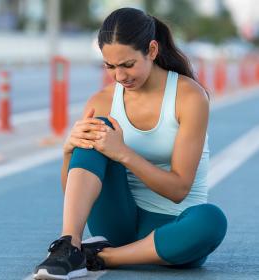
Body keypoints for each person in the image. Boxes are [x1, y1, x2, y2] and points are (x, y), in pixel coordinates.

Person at [33, 7, 227, 280]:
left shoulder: (189, 97)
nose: (120, 76)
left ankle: (100, 256)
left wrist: (123, 153)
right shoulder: (101, 101)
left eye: (127, 64)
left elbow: (179, 189)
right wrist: (69, 153)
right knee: (100, 129)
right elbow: (77, 193)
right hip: (118, 223)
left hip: (173, 227)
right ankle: (70, 246)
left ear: (151, 50)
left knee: (212, 221)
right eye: (110, 66)